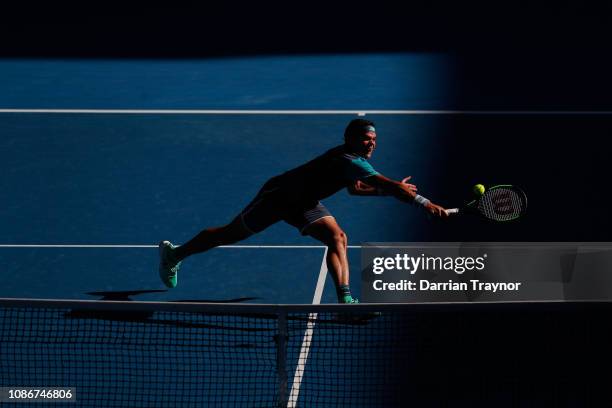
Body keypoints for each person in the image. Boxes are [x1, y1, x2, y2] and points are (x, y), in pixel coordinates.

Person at [158, 119, 448, 303]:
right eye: (366, 139)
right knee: (231, 234)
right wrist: (424, 203)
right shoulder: (352, 160)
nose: (371, 143)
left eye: (374, 139)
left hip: (305, 202)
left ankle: (345, 301)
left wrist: (394, 190)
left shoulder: (353, 159)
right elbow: (387, 185)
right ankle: (174, 254)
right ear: (350, 138)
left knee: (338, 237)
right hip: (278, 197)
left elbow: (355, 189)